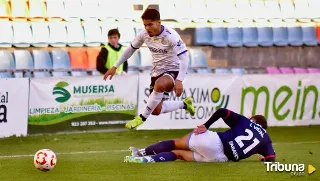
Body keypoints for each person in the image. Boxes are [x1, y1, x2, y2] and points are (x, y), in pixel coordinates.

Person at [103, 9, 195, 130]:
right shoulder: (143, 34)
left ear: (158, 22)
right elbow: (130, 50)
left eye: (150, 24)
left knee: (160, 84)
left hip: (174, 70)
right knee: (156, 110)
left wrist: (179, 80)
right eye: (145, 25)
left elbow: (184, 58)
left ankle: (141, 117)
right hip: (157, 72)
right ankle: (184, 104)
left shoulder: (171, 36)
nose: (147, 27)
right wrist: (115, 66)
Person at [124, 108, 276, 163]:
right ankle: (146, 160)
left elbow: (223, 111)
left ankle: (141, 153)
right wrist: (263, 158)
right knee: (178, 155)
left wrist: (206, 125)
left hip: (215, 142)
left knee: (176, 144)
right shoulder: (266, 140)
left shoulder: (246, 122)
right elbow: (271, 159)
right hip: (221, 159)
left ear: (254, 120)